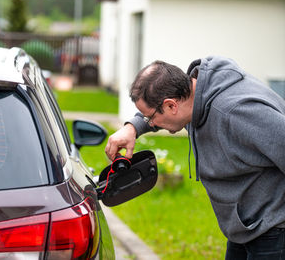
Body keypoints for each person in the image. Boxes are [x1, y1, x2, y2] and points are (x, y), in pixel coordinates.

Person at [105, 56, 285, 259]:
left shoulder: (238, 113)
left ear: (171, 106)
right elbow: (157, 109)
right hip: (245, 228)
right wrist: (133, 128)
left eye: (150, 117)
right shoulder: (192, 96)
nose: (151, 123)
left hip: (273, 230)